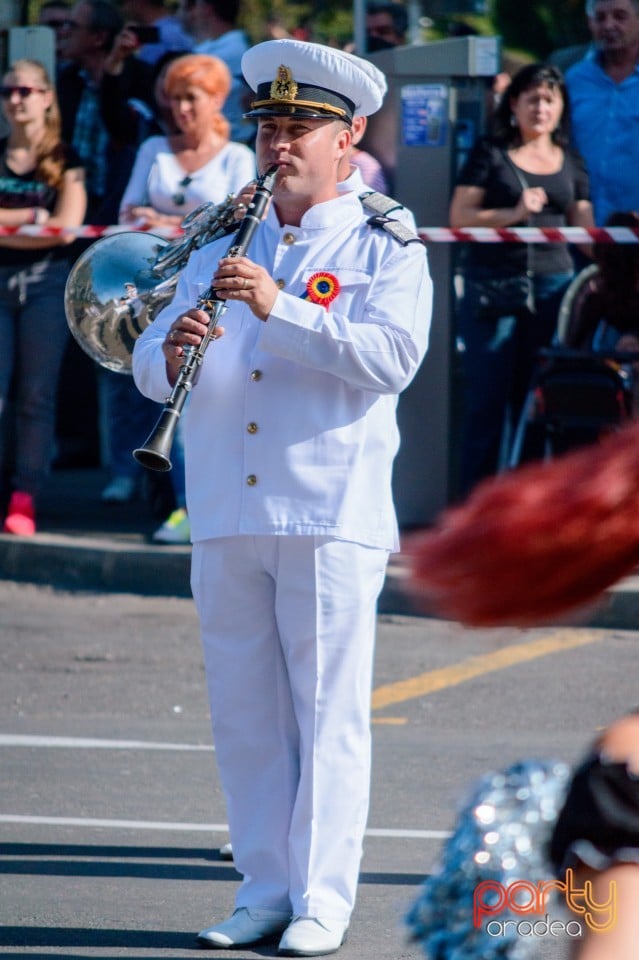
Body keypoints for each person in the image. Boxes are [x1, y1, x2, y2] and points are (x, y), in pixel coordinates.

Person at [132, 36, 432, 956]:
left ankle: (321, 902)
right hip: (226, 499)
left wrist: (281, 307)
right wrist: (168, 355)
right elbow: (146, 360)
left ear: (349, 138)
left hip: (326, 505)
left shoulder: (386, 235)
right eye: (269, 125)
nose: (279, 142)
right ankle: (262, 887)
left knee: (326, 713)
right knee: (245, 713)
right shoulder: (223, 231)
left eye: (301, 126)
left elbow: (392, 358)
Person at [119, 51, 255, 539]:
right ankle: (158, 493)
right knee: (148, 387)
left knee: (198, 394)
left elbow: (243, 220)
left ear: (216, 99)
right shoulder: (154, 146)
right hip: (152, 289)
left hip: (204, 288)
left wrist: (171, 224)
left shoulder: (239, 154)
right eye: (173, 99)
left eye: (191, 99)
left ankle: (195, 504)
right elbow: (127, 210)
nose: (181, 110)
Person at [449, 62, 594, 497]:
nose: (541, 108)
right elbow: (459, 217)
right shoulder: (490, 152)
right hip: (493, 287)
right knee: (487, 402)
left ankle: (525, 513)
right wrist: (513, 214)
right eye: (532, 98)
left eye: (550, 99)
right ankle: (472, 510)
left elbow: (585, 229)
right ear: (514, 104)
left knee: (541, 404)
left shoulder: (571, 160)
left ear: (562, 107)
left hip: (554, 289)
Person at [0, 59, 86, 535]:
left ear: (47, 97)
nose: (16, 99)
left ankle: (25, 493)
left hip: (47, 284)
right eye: (9, 90)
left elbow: (65, 229)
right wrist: (28, 219)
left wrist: (7, 224)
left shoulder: (66, 160)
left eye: (27, 90)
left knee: (36, 395)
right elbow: (46, 226)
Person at [566, 0, 639, 226]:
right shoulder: (573, 78)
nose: (609, 25)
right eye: (600, 18)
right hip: (581, 228)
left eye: (620, 16)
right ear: (590, 23)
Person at [177, 0, 253, 145]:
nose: (192, 13)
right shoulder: (208, 48)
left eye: (195, 6)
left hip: (233, 141)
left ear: (207, 9)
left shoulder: (231, 51)